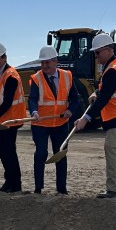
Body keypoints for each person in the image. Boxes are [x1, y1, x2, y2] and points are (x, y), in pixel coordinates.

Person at [74, 34, 116, 198]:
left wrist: (85, 119)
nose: (96, 57)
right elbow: (106, 89)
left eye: (97, 53)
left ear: (107, 50)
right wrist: (96, 92)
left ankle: (112, 189)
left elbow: (104, 99)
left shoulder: (113, 70)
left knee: (111, 148)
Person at [28, 46, 80, 195]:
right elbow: (32, 99)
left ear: (56, 61)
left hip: (60, 124)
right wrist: (34, 111)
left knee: (60, 154)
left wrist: (70, 111)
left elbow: (75, 99)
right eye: (42, 63)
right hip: (41, 124)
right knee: (40, 154)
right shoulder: (36, 78)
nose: (44, 66)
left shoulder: (67, 76)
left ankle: (61, 188)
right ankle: (38, 188)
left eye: (47, 63)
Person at [0, 42, 26, 193]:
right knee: (3, 149)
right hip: (5, 118)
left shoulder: (11, 75)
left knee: (7, 151)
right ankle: (9, 182)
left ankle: (15, 184)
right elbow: (3, 90)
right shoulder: (2, 73)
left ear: (4, 57)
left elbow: (8, 101)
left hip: (12, 119)